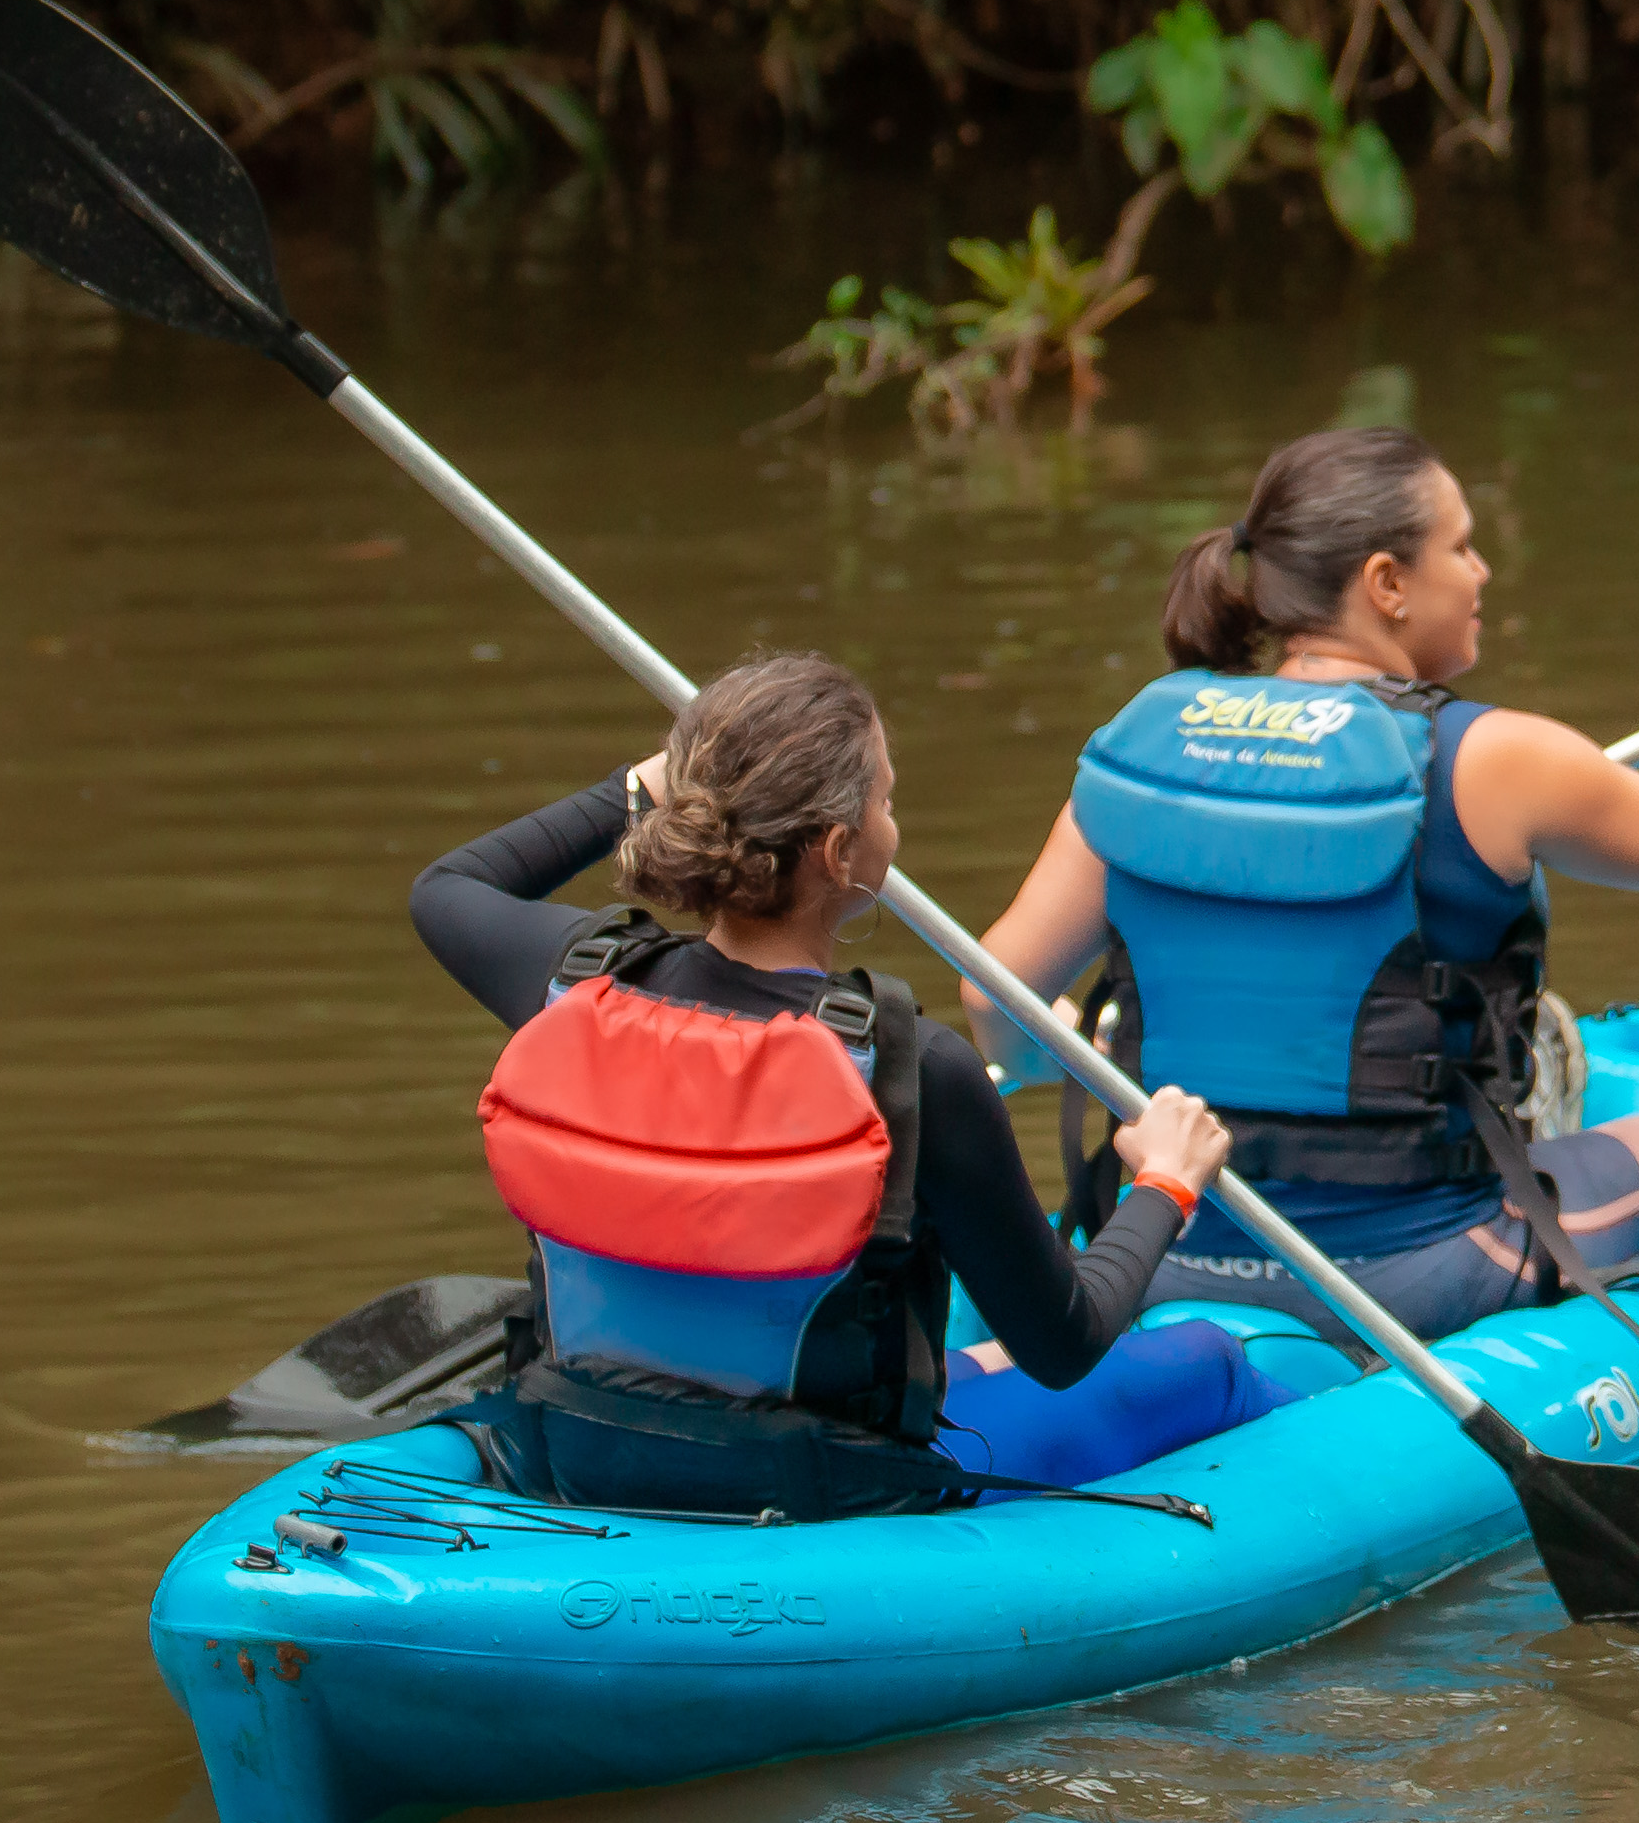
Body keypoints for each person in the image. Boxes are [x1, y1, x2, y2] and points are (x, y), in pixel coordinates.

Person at [980, 422, 1639, 1340]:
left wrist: (1036, 1051)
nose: (1482, 573)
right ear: (1387, 584)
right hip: (1418, 1273)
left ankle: (1524, 1103)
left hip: (1163, 1253)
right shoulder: (1492, 758)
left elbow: (999, 994)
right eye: (1461, 547)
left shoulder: (1145, 753)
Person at [411, 649, 1243, 1522]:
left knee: (976, 1356)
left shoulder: (571, 986)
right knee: (1203, 1359)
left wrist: (648, 784)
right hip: (816, 1491)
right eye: (886, 800)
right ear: (841, 852)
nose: (893, 821)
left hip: (578, 1448)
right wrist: (1164, 1183)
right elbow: (1064, 1343)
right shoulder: (912, 1070)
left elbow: (449, 888)